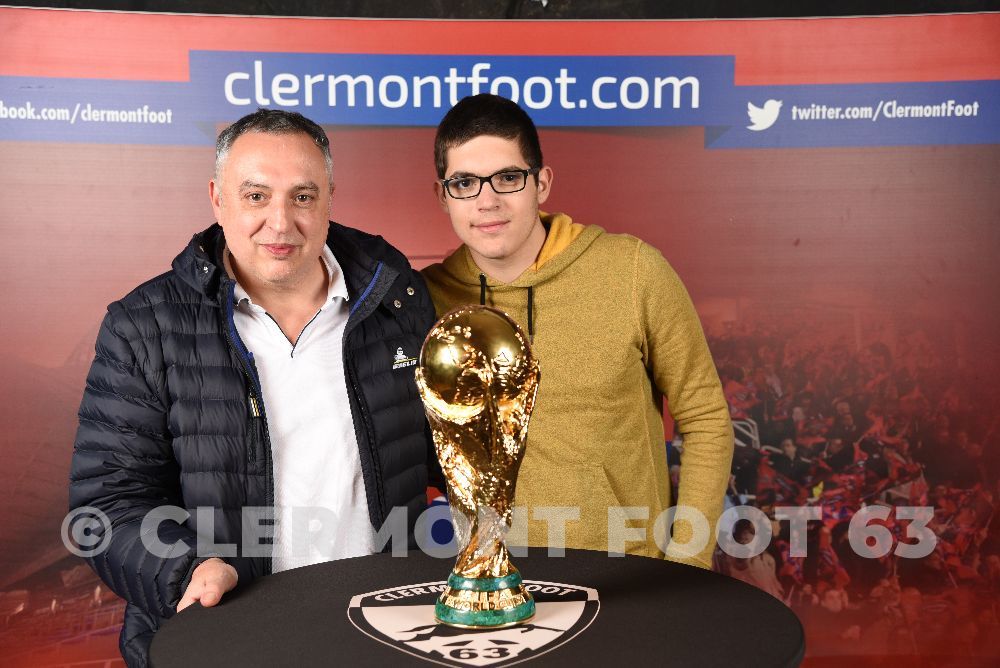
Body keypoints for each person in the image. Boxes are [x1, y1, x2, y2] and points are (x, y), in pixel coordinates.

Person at [69, 109, 438, 666]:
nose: (281, 222)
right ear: (218, 199)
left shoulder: (398, 298)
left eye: (303, 196)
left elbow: (441, 457)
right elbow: (109, 502)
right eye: (257, 195)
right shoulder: (144, 326)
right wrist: (187, 569)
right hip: (230, 639)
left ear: (331, 197)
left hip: (385, 635)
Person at [421, 94, 733, 568]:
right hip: (491, 583)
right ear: (443, 196)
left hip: (629, 573)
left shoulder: (631, 270)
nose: (487, 200)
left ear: (541, 183)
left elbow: (705, 417)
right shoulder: (426, 300)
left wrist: (688, 564)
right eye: (464, 182)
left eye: (508, 178)